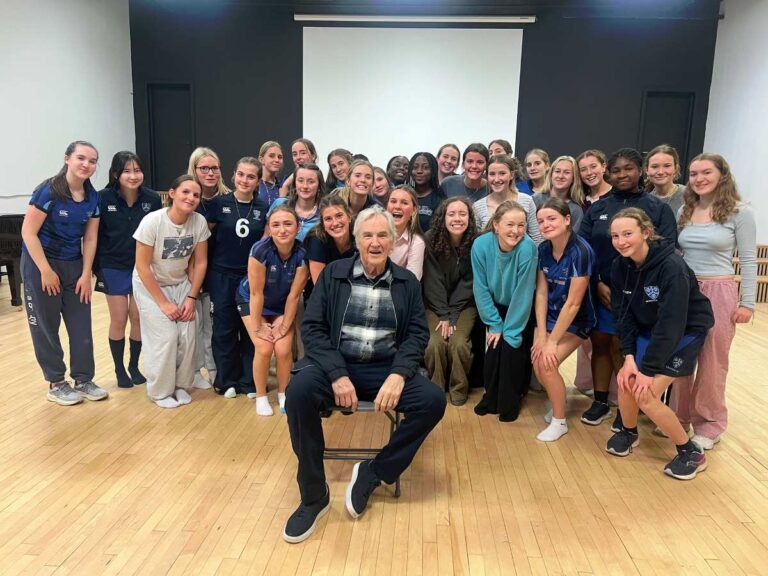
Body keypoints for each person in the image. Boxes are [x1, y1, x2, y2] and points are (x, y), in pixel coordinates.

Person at [282, 205, 446, 543]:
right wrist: (337, 373)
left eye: (382, 235)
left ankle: (374, 472)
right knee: (297, 392)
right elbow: (312, 329)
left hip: (385, 370)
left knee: (432, 400)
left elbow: (417, 334)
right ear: (356, 241)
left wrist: (399, 374)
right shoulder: (333, 274)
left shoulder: (407, 282)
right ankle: (314, 495)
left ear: (393, 240)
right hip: (336, 366)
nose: (375, 242)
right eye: (367, 235)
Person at [606, 208, 713, 480]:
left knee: (647, 394)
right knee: (625, 382)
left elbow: (672, 323)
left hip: (684, 331)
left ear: (646, 233)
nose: (621, 241)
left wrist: (648, 370)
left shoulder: (671, 267)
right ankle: (629, 433)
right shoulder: (619, 266)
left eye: (627, 234)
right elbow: (623, 314)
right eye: (615, 236)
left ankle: (691, 452)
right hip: (648, 330)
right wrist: (629, 357)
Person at [578, 148, 677, 427]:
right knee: (599, 344)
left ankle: (626, 409)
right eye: (617, 170)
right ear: (609, 172)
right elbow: (583, 249)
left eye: (628, 169)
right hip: (603, 291)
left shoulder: (658, 208)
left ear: (640, 171)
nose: (622, 174)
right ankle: (600, 401)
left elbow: (666, 248)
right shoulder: (597, 207)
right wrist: (597, 282)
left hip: (639, 295)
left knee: (626, 348)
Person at [672, 153, 757, 450]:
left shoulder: (739, 212)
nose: (699, 179)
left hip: (719, 290)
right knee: (680, 354)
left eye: (706, 172)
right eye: (694, 174)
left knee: (712, 359)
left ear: (722, 174)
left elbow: (747, 259)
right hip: (685, 289)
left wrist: (748, 303)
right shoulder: (685, 208)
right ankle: (677, 415)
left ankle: (709, 424)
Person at [21, 140, 107, 405]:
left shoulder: (93, 197)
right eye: (81, 158)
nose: (87, 165)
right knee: (46, 326)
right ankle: (57, 381)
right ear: (67, 159)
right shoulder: (48, 192)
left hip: (74, 265)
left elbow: (90, 239)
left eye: (92, 161)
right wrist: (45, 270)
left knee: (81, 324)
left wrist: (85, 273)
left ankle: (83, 379)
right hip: (41, 264)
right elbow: (28, 232)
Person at [132, 175, 211, 408]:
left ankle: (181, 385)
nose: (191, 198)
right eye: (186, 192)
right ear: (172, 193)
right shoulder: (152, 222)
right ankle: (159, 391)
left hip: (180, 283)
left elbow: (201, 262)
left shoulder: (199, 222)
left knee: (188, 335)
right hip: (151, 285)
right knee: (166, 337)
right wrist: (163, 303)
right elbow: (142, 267)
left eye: (196, 195)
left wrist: (191, 296)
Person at [95, 151, 162, 388]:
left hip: (141, 267)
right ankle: (119, 368)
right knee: (119, 318)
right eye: (126, 171)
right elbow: (94, 236)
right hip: (112, 265)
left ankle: (134, 365)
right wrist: (96, 269)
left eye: (137, 170)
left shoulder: (152, 199)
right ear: (116, 174)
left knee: (138, 318)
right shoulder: (102, 198)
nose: (133, 176)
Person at [532, 198, 596, 441]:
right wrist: (540, 333)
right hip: (550, 317)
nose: (545, 224)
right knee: (539, 362)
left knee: (547, 364)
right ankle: (558, 403)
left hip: (577, 320)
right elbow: (541, 292)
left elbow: (573, 304)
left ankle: (560, 422)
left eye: (551, 219)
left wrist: (551, 341)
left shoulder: (581, 251)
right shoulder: (543, 249)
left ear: (567, 220)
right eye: (541, 221)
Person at [205, 157, 268, 397]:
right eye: (241, 174)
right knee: (224, 328)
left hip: (249, 279)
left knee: (251, 330)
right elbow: (204, 240)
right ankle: (226, 380)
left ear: (258, 181)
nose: (245, 180)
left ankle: (249, 381)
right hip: (221, 275)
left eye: (251, 176)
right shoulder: (219, 204)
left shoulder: (262, 208)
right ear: (233, 175)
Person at [237, 205, 309, 415]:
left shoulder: (302, 254)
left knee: (284, 349)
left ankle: (283, 394)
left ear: (298, 227)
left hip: (281, 304)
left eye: (288, 224)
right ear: (269, 228)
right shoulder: (260, 250)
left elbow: (294, 295)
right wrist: (259, 326)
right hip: (251, 300)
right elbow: (256, 293)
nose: (282, 230)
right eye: (276, 225)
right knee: (265, 348)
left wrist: (285, 324)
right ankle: (261, 396)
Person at [471, 201, 538, 422]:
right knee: (493, 349)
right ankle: (490, 397)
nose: (516, 231)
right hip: (493, 308)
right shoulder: (480, 245)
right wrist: (494, 324)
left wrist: (510, 331)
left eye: (521, 225)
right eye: (510, 224)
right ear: (496, 225)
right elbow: (480, 288)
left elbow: (524, 293)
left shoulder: (528, 248)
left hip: (520, 308)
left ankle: (510, 401)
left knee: (512, 350)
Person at [423, 197, 478, 406]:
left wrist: (453, 315)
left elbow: (469, 283)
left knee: (459, 343)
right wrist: (444, 314)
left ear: (470, 218)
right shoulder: (430, 239)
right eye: (452, 214)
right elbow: (432, 281)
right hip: (434, 304)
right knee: (434, 343)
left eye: (462, 214)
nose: (457, 218)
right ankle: (436, 390)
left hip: (464, 306)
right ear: (443, 217)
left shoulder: (477, 241)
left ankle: (458, 388)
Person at [187, 146, 228, 389]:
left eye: (214, 168)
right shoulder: (189, 198)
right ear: (195, 170)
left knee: (213, 326)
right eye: (204, 168)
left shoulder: (227, 199)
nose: (210, 173)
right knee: (193, 324)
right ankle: (193, 371)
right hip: (191, 269)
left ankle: (213, 368)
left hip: (218, 270)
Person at [473, 154, 542, 244]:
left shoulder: (527, 201)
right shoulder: (478, 207)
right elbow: (476, 242)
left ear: (511, 175)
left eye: (502, 173)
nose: (496, 179)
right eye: (492, 174)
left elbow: (537, 239)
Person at [270, 163, 324, 241]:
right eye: (300, 181)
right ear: (295, 183)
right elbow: (266, 236)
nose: (305, 186)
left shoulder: (324, 213)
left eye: (311, 182)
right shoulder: (279, 204)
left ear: (319, 186)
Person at [532, 155, 585, 232]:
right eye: (557, 171)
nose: (560, 176)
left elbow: (573, 239)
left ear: (574, 178)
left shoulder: (575, 210)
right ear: (551, 175)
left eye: (567, 172)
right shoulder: (534, 200)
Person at [386, 185, 426, 280]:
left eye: (404, 203)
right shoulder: (374, 231)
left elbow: (412, 281)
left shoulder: (417, 242)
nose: (397, 206)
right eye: (393, 201)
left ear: (414, 210)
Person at [407, 152, 445, 232]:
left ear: (433, 171)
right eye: (415, 167)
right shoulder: (405, 195)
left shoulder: (440, 199)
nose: (419, 171)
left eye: (426, 167)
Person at [644, 144, 685, 215]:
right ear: (646, 170)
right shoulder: (644, 201)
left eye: (667, 166)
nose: (660, 172)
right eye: (655, 166)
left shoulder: (689, 195)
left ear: (676, 168)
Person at [257, 141, 285, 206]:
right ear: (261, 159)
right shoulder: (254, 184)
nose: (277, 160)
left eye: (280, 157)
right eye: (271, 156)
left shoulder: (283, 187)